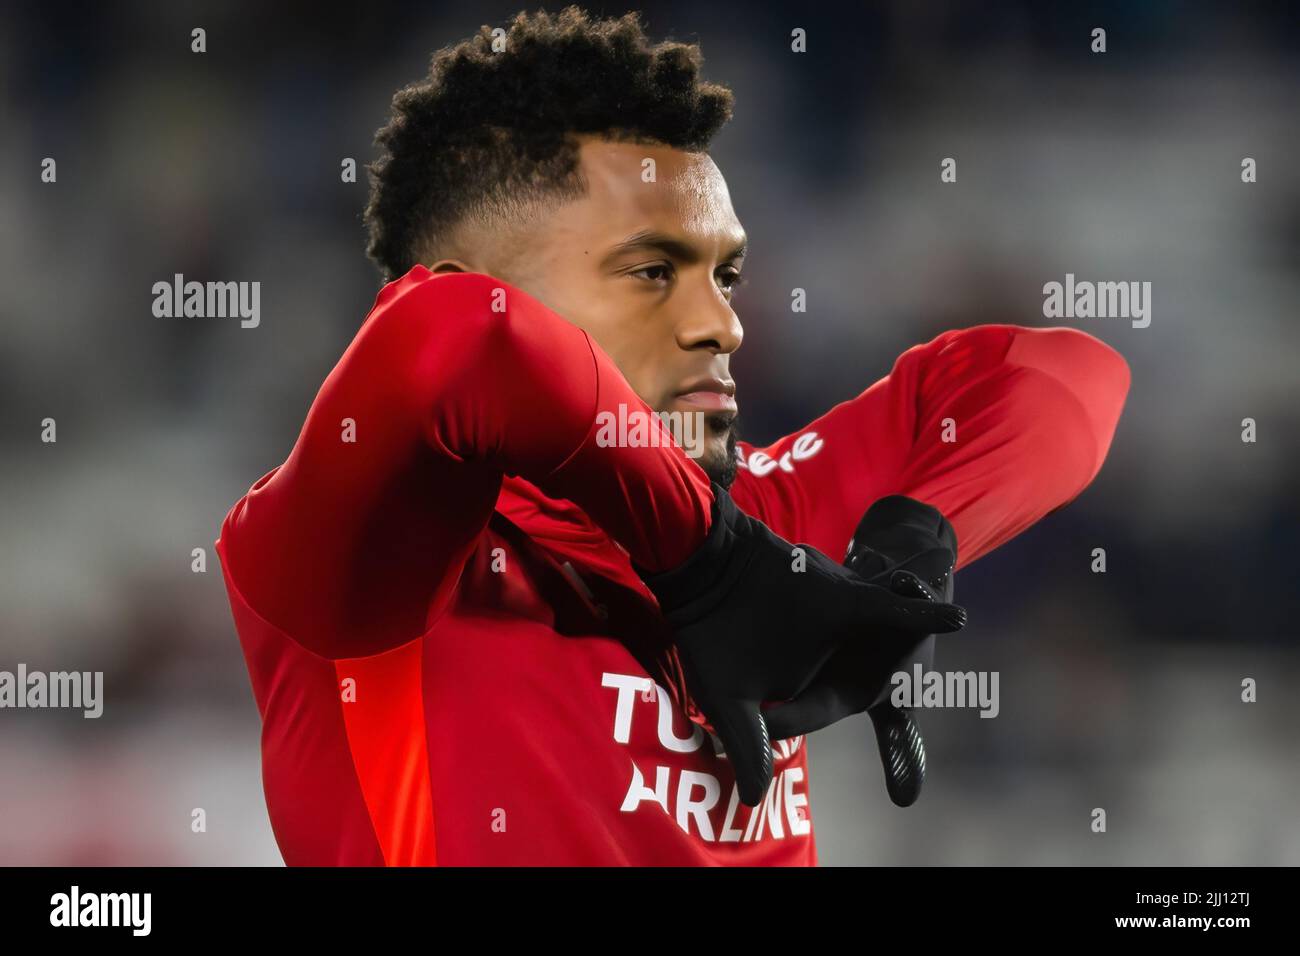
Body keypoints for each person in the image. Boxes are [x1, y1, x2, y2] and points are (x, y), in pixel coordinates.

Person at [216, 7, 1129, 865]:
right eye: (653, 270)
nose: (724, 325)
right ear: (470, 276)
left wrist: (915, 533)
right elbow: (454, 339)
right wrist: (706, 561)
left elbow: (1066, 378)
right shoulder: (376, 556)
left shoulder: (775, 514)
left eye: (724, 274)